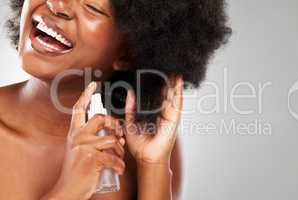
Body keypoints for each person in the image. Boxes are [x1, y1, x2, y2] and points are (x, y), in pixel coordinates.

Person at [0, 0, 231, 199]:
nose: (57, 4)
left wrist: (153, 166)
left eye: (92, 6)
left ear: (127, 54)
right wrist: (68, 191)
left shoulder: (146, 143)